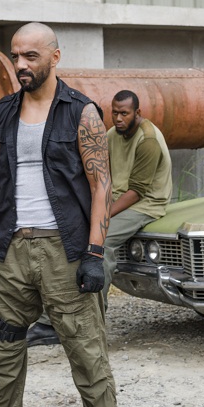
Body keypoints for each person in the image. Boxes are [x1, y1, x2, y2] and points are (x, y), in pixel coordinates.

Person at [0, 22, 118, 407]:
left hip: (64, 252)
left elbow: (101, 186)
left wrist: (94, 254)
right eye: (15, 56)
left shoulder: (81, 112)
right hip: (10, 252)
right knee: (3, 360)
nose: (20, 65)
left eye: (31, 56)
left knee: (89, 359)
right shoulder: (3, 112)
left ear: (55, 57)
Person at [27, 89, 173, 347]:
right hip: (114, 198)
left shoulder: (147, 140)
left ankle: (93, 323)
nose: (118, 118)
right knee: (67, 235)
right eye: (114, 113)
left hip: (145, 204)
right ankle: (52, 322)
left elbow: (137, 192)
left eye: (124, 113)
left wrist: (99, 217)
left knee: (99, 245)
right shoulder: (112, 135)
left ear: (137, 113)